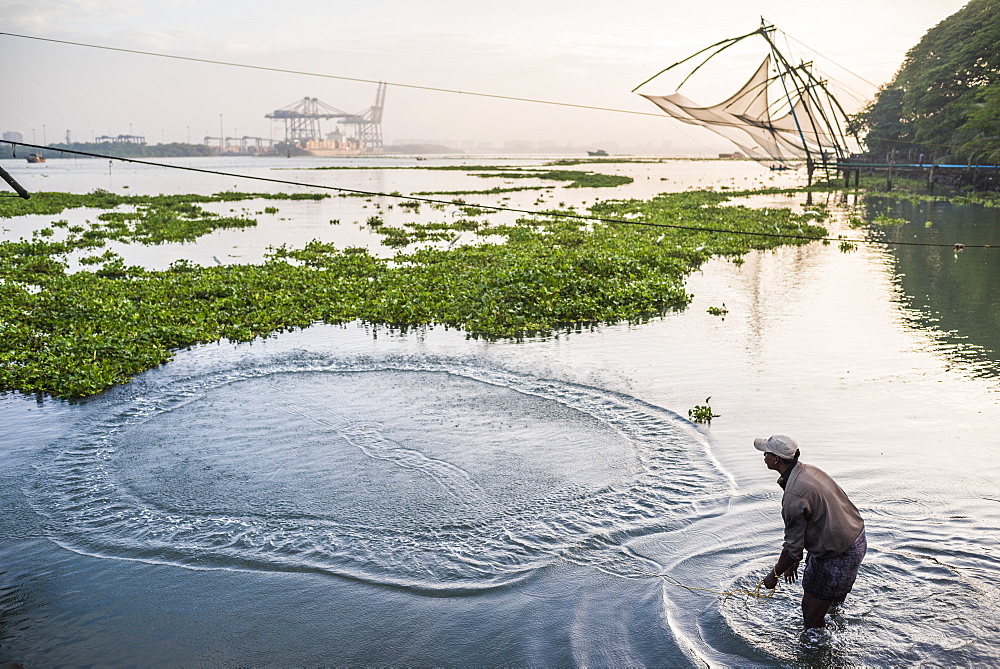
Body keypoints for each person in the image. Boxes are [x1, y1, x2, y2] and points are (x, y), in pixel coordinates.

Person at [755, 434, 866, 629]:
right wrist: (795, 557)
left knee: (811, 616)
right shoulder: (809, 471)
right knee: (830, 604)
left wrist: (774, 574)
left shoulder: (793, 494)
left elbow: (791, 548)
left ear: (776, 459)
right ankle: (835, 627)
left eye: (767, 453)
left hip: (837, 555)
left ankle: (820, 652)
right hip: (855, 539)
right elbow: (813, 517)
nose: (764, 455)